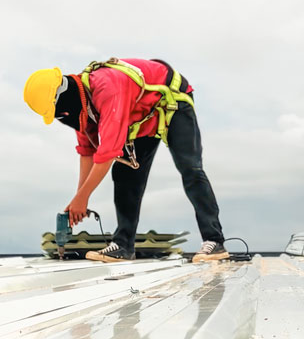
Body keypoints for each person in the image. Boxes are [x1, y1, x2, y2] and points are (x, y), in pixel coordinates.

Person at [24, 58, 229, 263]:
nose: (62, 118)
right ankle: (123, 246)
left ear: (62, 97)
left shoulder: (107, 89)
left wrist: (82, 198)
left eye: (58, 112)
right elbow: (87, 152)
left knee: (190, 168)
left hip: (172, 101)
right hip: (143, 117)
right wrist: (80, 197)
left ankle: (214, 241)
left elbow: (107, 153)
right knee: (125, 174)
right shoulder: (83, 111)